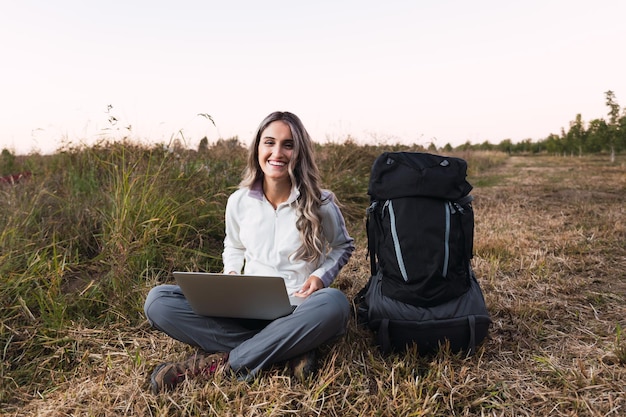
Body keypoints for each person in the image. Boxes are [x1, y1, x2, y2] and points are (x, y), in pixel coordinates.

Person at [144, 111, 355, 393]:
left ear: (299, 152)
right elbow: (234, 245)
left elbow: (343, 245)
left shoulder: (321, 202)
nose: (277, 152)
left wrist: (319, 277)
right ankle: (288, 348)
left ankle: (225, 362)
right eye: (269, 142)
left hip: (298, 309)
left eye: (288, 145)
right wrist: (230, 274)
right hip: (245, 308)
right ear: (258, 147)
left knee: (335, 304)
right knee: (158, 301)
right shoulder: (238, 201)